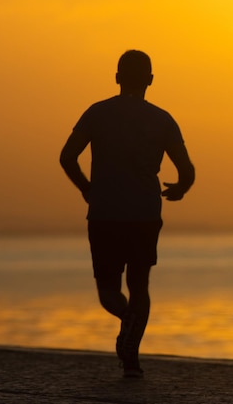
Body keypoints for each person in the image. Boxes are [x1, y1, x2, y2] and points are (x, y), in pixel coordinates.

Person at [60, 50, 195, 378]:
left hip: (105, 213)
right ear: (150, 79)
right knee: (140, 285)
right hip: (145, 214)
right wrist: (178, 189)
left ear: (117, 77)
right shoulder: (162, 120)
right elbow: (186, 170)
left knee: (108, 291)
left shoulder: (97, 113)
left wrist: (85, 188)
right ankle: (132, 358)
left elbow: (67, 157)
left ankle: (127, 323)